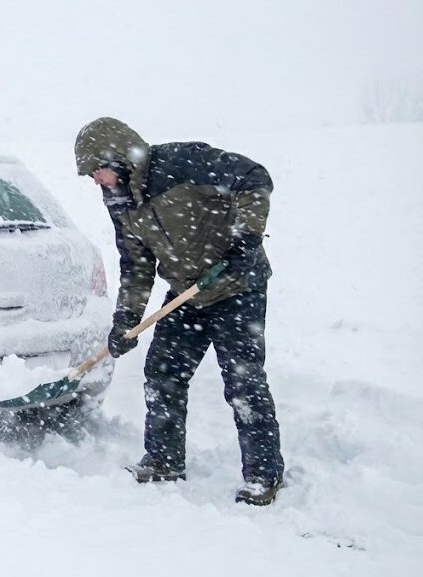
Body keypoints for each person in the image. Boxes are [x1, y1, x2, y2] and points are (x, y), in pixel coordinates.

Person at [75, 117, 285, 506]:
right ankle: (163, 461)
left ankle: (263, 475)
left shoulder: (182, 163)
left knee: (243, 382)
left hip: (237, 286)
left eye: (96, 171)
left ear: (117, 158)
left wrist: (246, 240)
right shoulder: (119, 200)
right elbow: (136, 265)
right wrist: (127, 319)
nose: (95, 181)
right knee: (163, 372)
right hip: (187, 295)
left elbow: (255, 179)